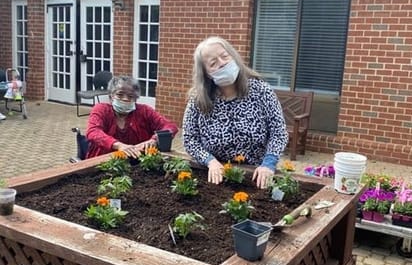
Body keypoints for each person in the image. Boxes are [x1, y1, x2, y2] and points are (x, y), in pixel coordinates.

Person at [182, 36, 289, 188]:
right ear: (206, 73)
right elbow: (189, 139)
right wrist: (209, 161)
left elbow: (279, 132)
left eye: (225, 56)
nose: (222, 63)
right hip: (217, 176)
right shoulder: (198, 100)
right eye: (213, 63)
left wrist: (269, 164)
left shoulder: (261, 91)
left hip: (256, 176)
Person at [86, 75, 178, 158]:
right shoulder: (101, 109)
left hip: (138, 161)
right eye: (120, 94)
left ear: (136, 99)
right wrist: (119, 145)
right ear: (111, 96)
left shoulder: (145, 111)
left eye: (130, 96)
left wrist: (154, 140)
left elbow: (170, 127)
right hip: (102, 162)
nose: (125, 99)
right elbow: (93, 132)